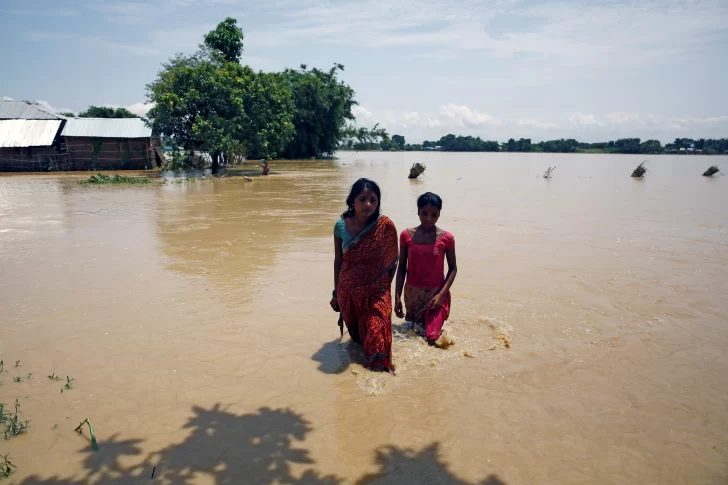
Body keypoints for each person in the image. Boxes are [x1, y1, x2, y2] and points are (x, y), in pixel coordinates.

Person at [330, 178, 399, 373]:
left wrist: (385, 288)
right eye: (363, 199)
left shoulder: (384, 227)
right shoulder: (340, 226)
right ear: (352, 200)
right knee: (360, 338)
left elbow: (393, 260)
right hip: (348, 291)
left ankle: (379, 373)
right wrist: (336, 294)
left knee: (376, 329)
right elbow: (338, 261)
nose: (368, 204)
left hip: (377, 291)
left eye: (373, 200)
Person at [395, 192, 457, 345]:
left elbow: (453, 268)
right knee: (414, 335)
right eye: (424, 214)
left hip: (436, 295)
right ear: (418, 212)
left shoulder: (446, 238)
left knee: (432, 339)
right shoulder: (406, 235)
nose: (428, 219)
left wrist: (441, 295)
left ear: (439, 214)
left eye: (434, 215)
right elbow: (401, 267)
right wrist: (397, 297)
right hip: (413, 294)